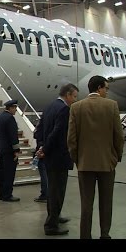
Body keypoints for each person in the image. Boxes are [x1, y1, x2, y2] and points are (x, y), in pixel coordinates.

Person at [67, 75, 124, 239]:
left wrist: (78, 159)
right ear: (99, 88)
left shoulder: (76, 108)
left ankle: (85, 236)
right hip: (107, 164)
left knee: (86, 205)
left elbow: (71, 139)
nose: (107, 91)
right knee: (106, 203)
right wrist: (115, 158)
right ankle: (105, 234)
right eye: (106, 88)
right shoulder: (112, 106)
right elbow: (118, 137)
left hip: (85, 165)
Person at [39, 83, 79, 236]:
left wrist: (42, 148)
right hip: (59, 158)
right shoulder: (64, 109)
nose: (74, 100)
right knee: (58, 192)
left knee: (53, 191)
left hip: (50, 158)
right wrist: (45, 149)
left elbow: (40, 130)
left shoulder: (49, 107)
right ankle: (51, 226)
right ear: (68, 94)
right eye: (74, 97)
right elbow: (56, 133)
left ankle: (55, 216)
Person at [0, 99, 21, 202]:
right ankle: (8, 195)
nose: (16, 110)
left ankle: (2, 194)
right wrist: (16, 150)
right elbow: (13, 136)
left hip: (1, 149)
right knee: (9, 173)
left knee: (2, 173)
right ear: (10, 108)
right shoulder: (10, 119)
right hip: (9, 151)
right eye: (15, 108)